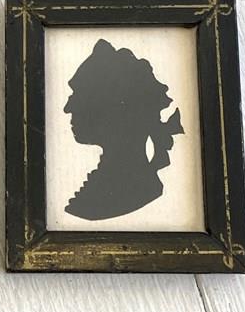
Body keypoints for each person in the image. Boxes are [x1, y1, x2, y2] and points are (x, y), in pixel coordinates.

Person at [64, 39, 183, 220]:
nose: (67, 108)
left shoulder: (122, 192)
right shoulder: (106, 189)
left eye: (79, 94)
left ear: (113, 108)